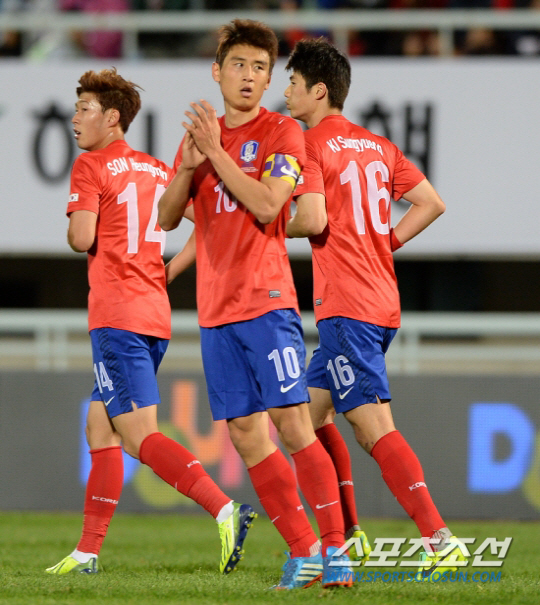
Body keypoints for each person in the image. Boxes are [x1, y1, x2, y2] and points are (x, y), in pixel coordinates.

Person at [158, 19, 353, 590]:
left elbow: (270, 205)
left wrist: (215, 155)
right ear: (217, 72)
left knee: (292, 425)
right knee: (245, 433)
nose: (249, 76)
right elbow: (167, 218)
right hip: (216, 311)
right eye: (239, 65)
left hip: (266, 302)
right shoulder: (200, 139)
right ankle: (303, 552)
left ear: (269, 80)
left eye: (261, 68)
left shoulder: (282, 133)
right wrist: (188, 166)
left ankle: (337, 550)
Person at [46, 68, 255, 576]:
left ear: (112, 118)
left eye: (84, 109)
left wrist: (79, 219)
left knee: (139, 437)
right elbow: (208, 227)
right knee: (101, 427)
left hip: (117, 315)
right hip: (153, 316)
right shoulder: (158, 170)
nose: (75, 119)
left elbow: (80, 238)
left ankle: (224, 509)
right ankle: (87, 553)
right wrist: (170, 270)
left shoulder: (91, 165)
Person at [284, 37, 466, 581]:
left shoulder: (309, 144)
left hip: (347, 307)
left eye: (293, 83)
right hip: (380, 301)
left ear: (319, 91)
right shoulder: (378, 145)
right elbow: (431, 202)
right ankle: (350, 533)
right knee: (305, 420)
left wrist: (263, 224)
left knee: (373, 428)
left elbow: (312, 220)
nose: (286, 92)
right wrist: (386, 242)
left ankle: (440, 540)